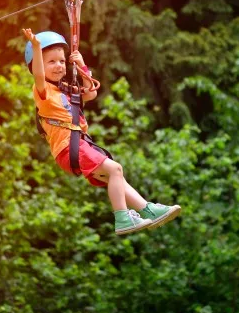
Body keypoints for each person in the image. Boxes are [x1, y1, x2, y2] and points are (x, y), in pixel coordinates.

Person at [22, 28, 181, 235]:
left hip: (79, 145)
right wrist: (36, 46)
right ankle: (123, 218)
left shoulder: (67, 91)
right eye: (51, 62)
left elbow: (91, 93)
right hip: (68, 147)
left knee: (116, 177)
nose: (59, 66)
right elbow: (39, 74)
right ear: (38, 64)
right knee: (115, 169)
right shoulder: (43, 93)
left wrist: (80, 65)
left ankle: (148, 210)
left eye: (62, 61)